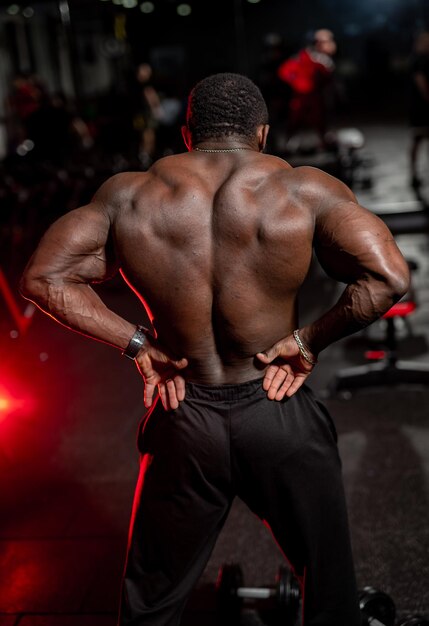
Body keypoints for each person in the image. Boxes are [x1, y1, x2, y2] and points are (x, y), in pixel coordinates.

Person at [19, 72, 410, 626]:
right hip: (278, 414)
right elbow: (388, 277)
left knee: (151, 606)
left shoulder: (129, 195)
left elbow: (44, 278)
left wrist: (139, 345)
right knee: (330, 591)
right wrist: (306, 341)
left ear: (186, 133)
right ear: (263, 132)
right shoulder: (304, 189)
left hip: (184, 416)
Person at [277, 29, 338, 151]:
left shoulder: (323, 59)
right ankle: (290, 143)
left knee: (320, 120)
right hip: (301, 96)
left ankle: (324, 142)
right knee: (295, 120)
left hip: (316, 96)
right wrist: (297, 82)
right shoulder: (304, 56)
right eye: (323, 41)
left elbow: (328, 76)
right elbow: (284, 71)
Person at [408, 31, 429, 189]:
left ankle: (415, 174)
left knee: (419, 140)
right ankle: (414, 174)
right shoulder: (419, 61)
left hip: (419, 106)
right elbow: (420, 81)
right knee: (418, 139)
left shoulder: (419, 59)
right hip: (422, 108)